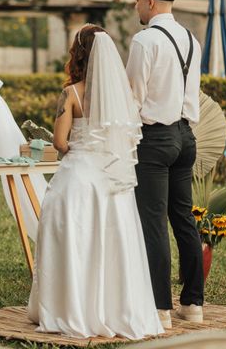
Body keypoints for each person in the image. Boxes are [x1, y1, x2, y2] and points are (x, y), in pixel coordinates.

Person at [27, 24, 164, 340]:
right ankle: (114, 309)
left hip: (78, 179)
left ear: (79, 53)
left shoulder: (71, 93)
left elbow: (60, 142)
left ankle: (70, 308)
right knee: (113, 246)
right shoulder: (123, 95)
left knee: (71, 239)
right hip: (114, 180)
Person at [125, 0, 204, 329]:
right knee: (184, 220)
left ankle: (160, 309)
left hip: (155, 139)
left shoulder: (144, 41)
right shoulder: (191, 39)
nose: (135, 5)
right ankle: (193, 304)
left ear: (150, 1)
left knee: (153, 223)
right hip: (186, 136)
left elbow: (133, 100)